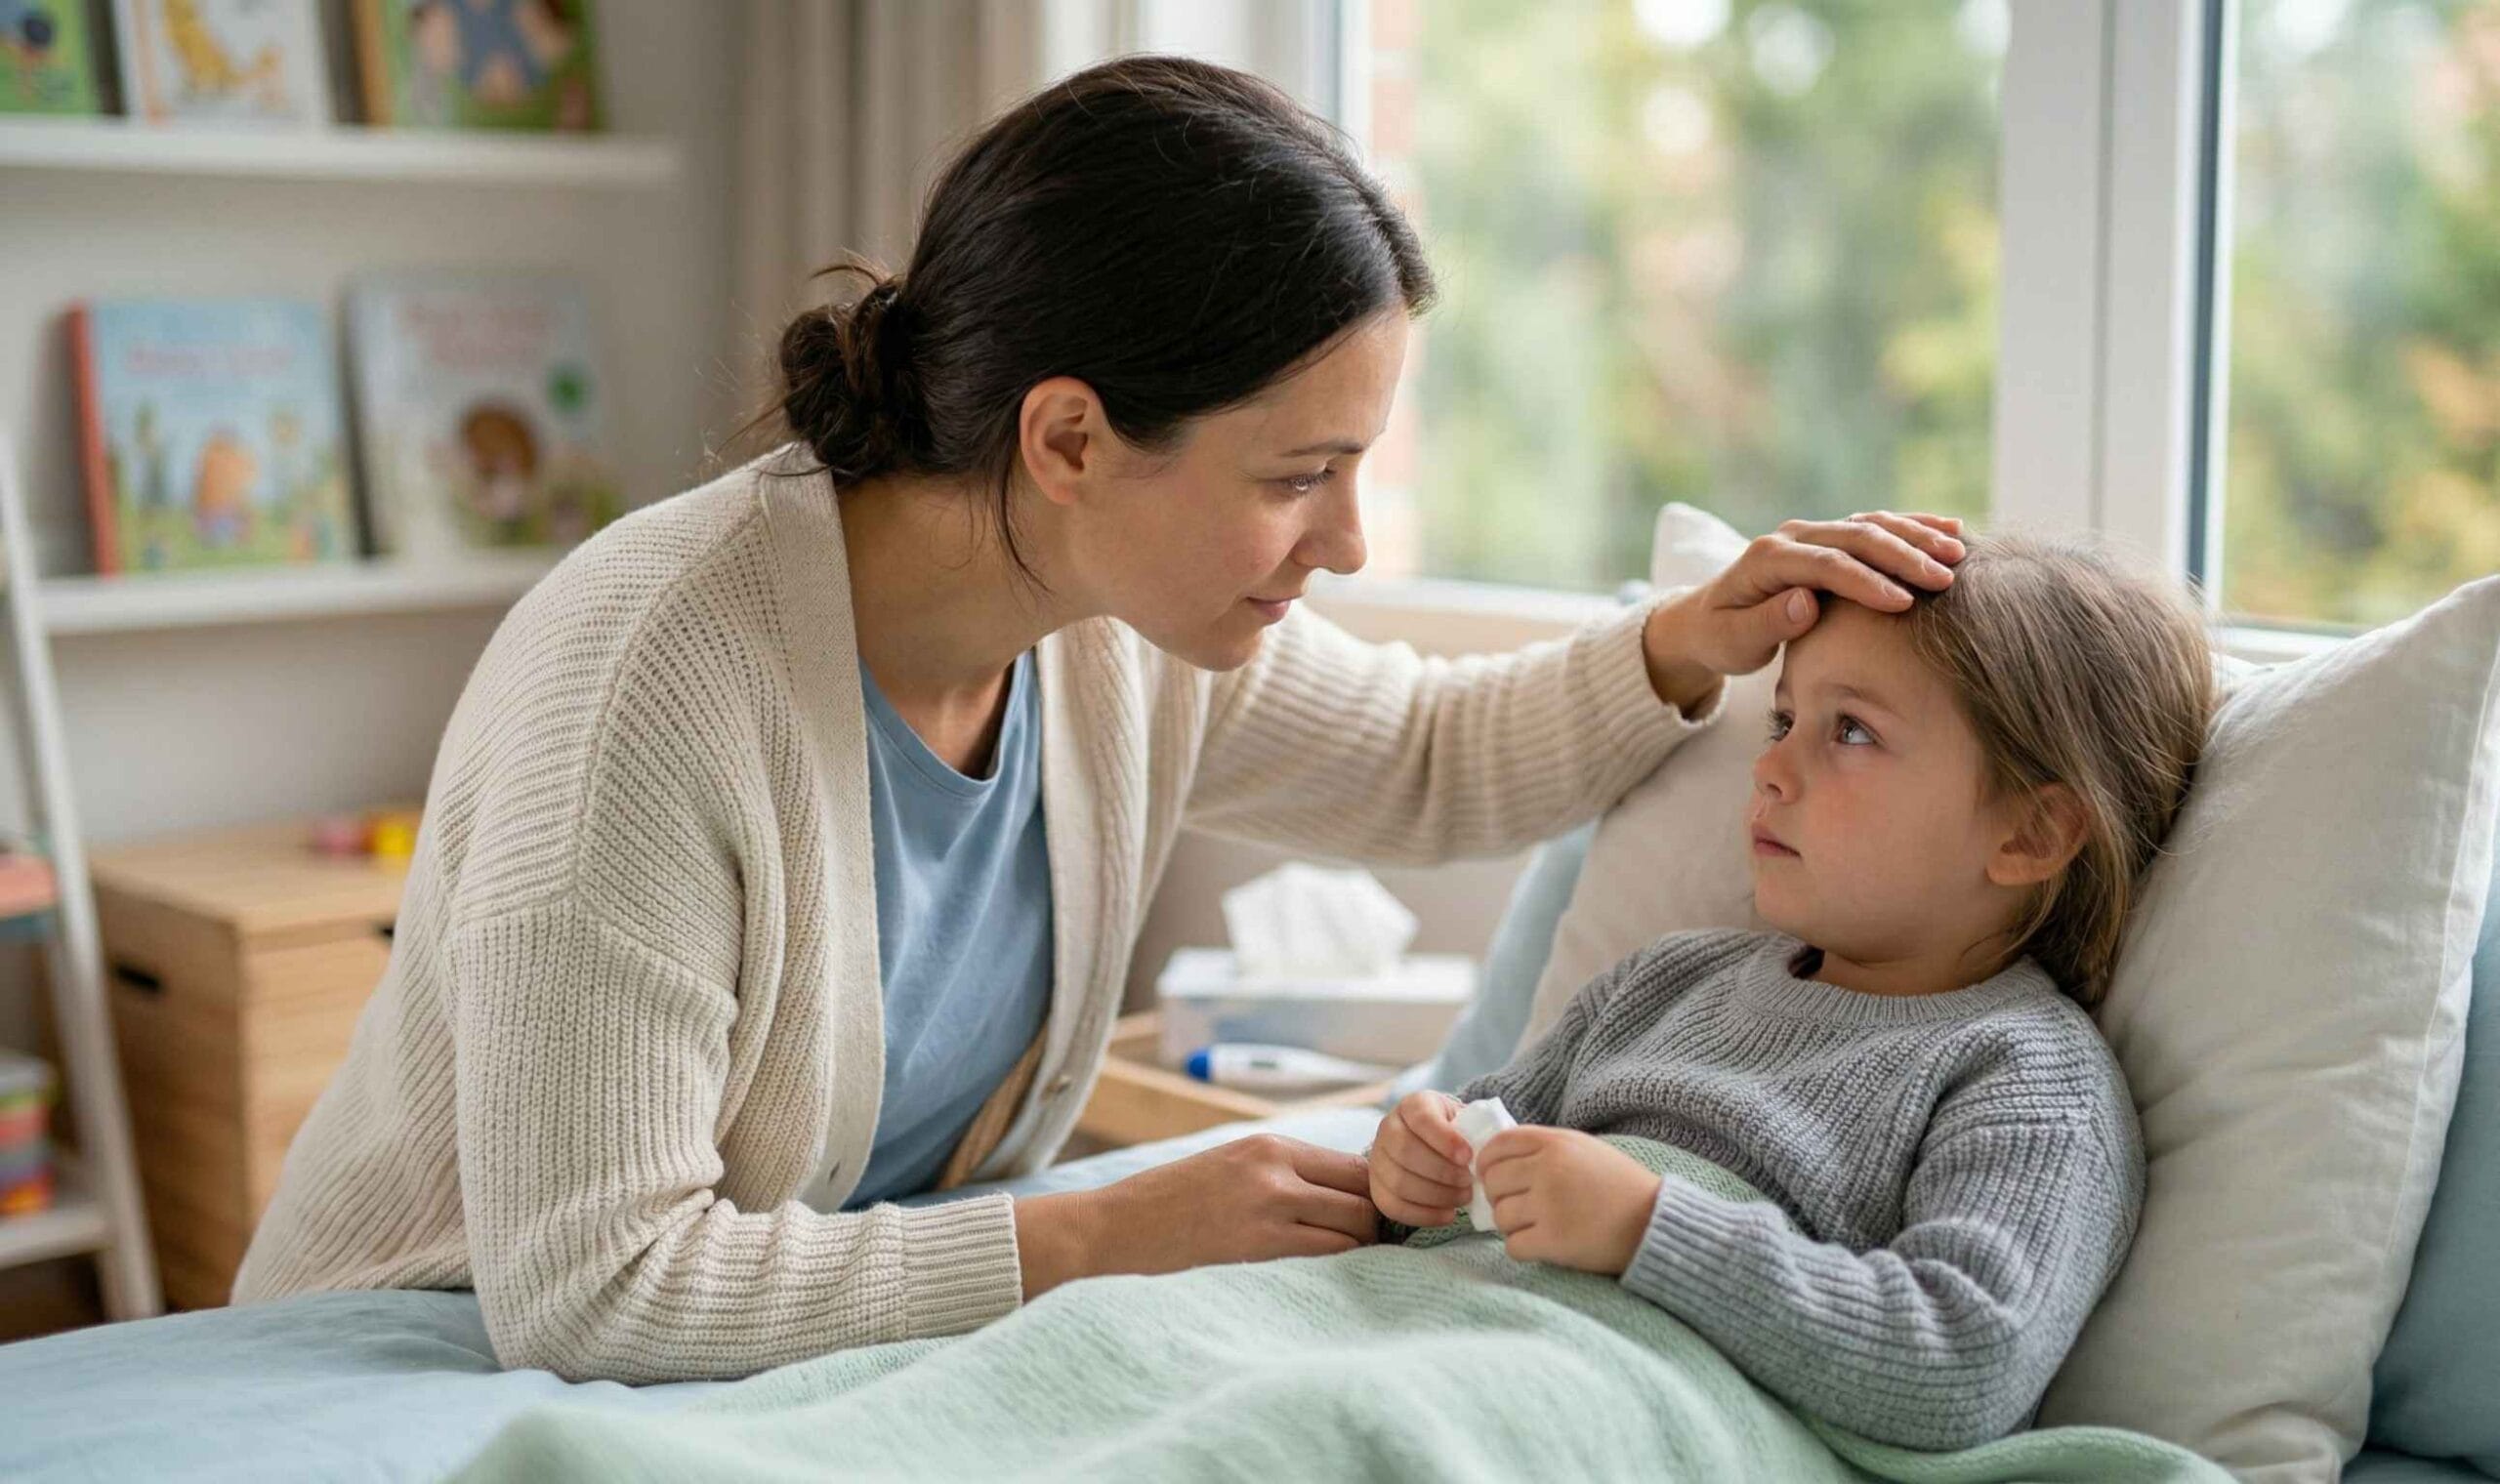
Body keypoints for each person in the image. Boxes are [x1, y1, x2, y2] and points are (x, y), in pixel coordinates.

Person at [233, 53, 1964, 1383]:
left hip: (777, 1367)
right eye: (1298, 477)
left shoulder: (1112, 633)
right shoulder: (646, 690)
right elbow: (597, 1287)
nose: (1349, 544)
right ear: (1066, 439)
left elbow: (1432, 762)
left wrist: (1689, 640)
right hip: (418, 1350)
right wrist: (1099, 1234)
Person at [1369, 534, 2215, 1449]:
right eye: (1783, 722)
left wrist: (1652, 1228)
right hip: (1430, 1334)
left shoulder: (2025, 1075)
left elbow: (1961, 1365)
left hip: (1605, 1408)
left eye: (1851, 731)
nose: (1769, 768)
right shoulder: (1662, 981)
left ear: (2030, 834)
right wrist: (1413, 1166)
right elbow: (1465, 1166)